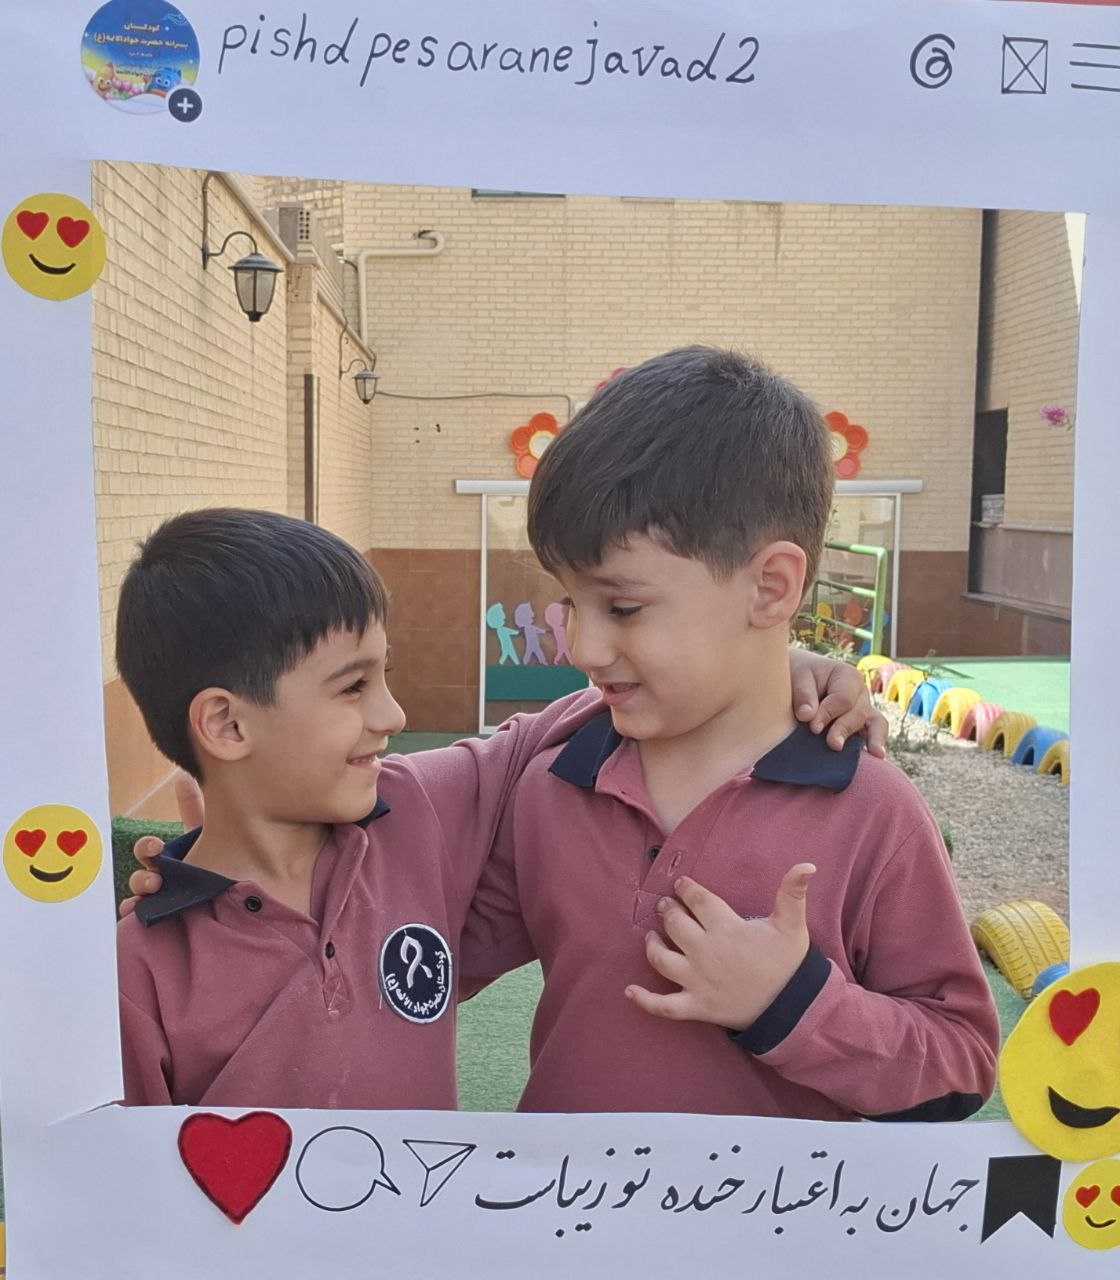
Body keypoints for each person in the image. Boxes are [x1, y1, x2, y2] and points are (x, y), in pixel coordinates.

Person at [116, 505, 882, 1107]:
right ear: (228, 725)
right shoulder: (135, 977)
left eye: (384, 676)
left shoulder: (412, 812)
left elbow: (553, 726)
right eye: (353, 687)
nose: (392, 714)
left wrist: (770, 663)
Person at [459, 346, 999, 1120]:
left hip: (780, 1204)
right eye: (570, 603)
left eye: (623, 607)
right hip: (566, 1199)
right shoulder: (554, 784)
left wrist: (789, 1002)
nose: (583, 647)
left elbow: (961, 1065)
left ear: (771, 587)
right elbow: (432, 961)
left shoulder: (872, 811)